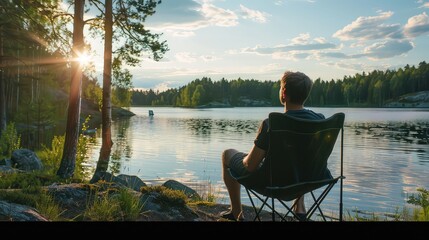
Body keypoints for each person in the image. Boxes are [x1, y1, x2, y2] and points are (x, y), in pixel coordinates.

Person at [220, 71, 325, 221]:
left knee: (227, 154)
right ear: (305, 95)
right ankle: (299, 209)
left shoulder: (271, 124)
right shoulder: (319, 121)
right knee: (300, 158)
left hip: (273, 182)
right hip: (308, 179)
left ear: (284, 93)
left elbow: (250, 166)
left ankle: (237, 213)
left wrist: (244, 159)